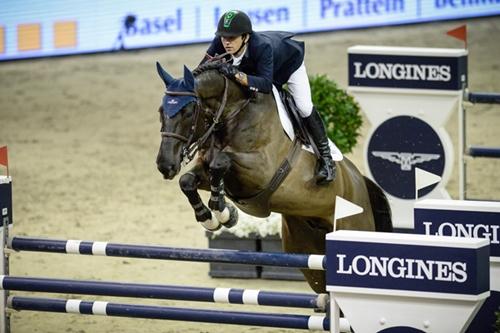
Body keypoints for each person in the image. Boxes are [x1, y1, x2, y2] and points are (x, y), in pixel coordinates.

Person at [200, 10, 335, 185]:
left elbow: (265, 84)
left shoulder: (262, 47)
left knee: (303, 106)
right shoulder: (220, 43)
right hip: (258, 69)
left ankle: (326, 159)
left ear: (246, 37)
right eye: (224, 37)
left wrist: (237, 75)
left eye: (232, 38)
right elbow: (202, 69)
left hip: (288, 65)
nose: (226, 42)